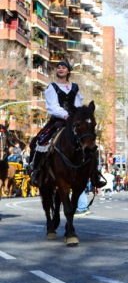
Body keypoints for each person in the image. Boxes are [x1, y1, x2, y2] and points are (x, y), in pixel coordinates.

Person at [29, 59, 106, 189]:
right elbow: (52, 106)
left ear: (68, 71)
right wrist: (66, 115)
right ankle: (36, 172)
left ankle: (95, 175)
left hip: (74, 121)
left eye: (63, 67)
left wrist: (76, 116)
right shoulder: (52, 87)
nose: (60, 69)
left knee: (90, 144)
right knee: (39, 142)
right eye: (58, 67)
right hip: (58, 121)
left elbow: (77, 105)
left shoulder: (75, 87)